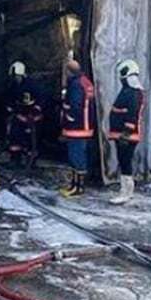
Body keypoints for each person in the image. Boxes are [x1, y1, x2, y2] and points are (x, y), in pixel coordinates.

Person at [108, 59, 145, 205]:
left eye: (122, 75)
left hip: (127, 135)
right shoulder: (128, 91)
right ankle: (126, 190)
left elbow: (132, 114)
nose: (121, 79)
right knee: (123, 160)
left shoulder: (133, 93)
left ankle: (126, 192)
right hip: (122, 134)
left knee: (125, 161)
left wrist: (126, 132)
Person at [60, 59, 95, 197]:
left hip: (77, 127)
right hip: (85, 126)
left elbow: (75, 105)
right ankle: (75, 185)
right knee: (79, 155)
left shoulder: (75, 84)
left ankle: (78, 187)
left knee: (76, 157)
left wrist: (66, 113)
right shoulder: (86, 82)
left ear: (69, 71)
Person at [6, 89, 43, 169]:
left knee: (33, 144)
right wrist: (19, 116)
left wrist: (33, 119)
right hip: (18, 124)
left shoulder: (37, 99)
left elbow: (40, 114)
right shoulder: (15, 93)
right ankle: (15, 160)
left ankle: (31, 162)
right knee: (15, 142)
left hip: (33, 126)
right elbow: (12, 110)